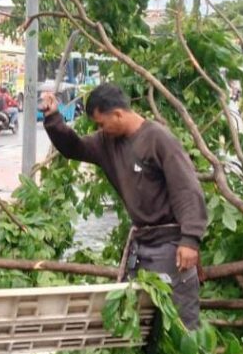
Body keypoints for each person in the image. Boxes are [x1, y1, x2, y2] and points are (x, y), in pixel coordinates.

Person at [41, 83, 208, 329]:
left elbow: (186, 188)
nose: (100, 129)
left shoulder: (158, 139)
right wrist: (53, 119)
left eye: (101, 123)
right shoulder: (106, 142)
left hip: (170, 244)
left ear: (118, 114)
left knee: (179, 321)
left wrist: (190, 240)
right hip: (142, 244)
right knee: (141, 320)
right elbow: (74, 148)